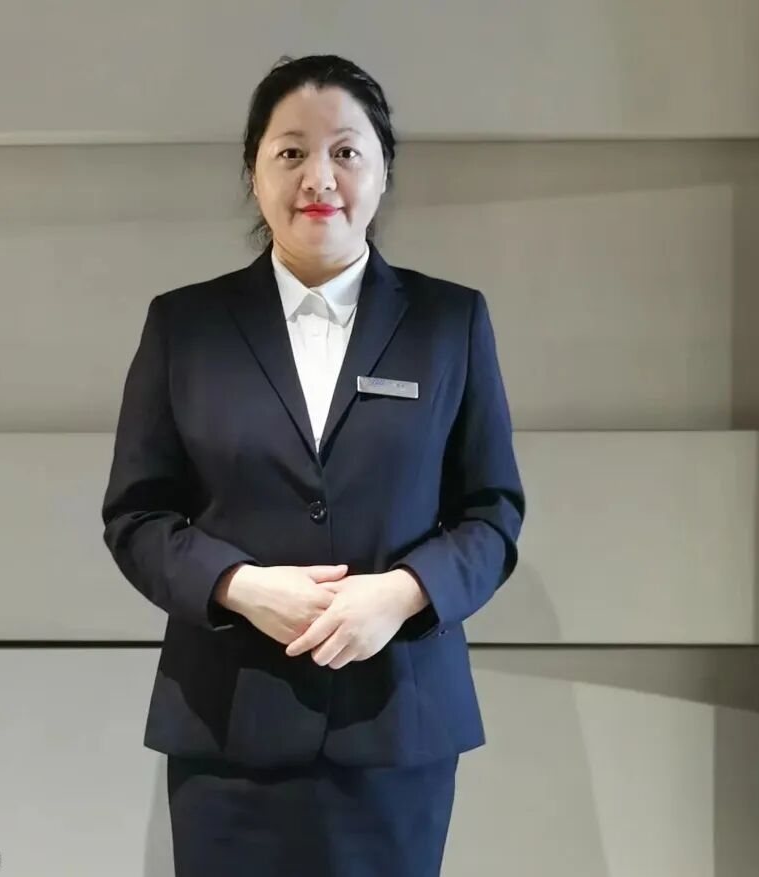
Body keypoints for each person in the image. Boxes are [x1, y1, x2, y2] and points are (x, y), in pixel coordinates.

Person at [101, 53, 525, 877]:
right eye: (291, 152)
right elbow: (136, 516)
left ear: (382, 171)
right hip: (229, 725)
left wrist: (400, 594)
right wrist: (238, 586)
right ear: (253, 173)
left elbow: (492, 513)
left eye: (345, 151)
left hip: (397, 720)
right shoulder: (185, 325)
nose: (318, 178)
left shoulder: (450, 321)